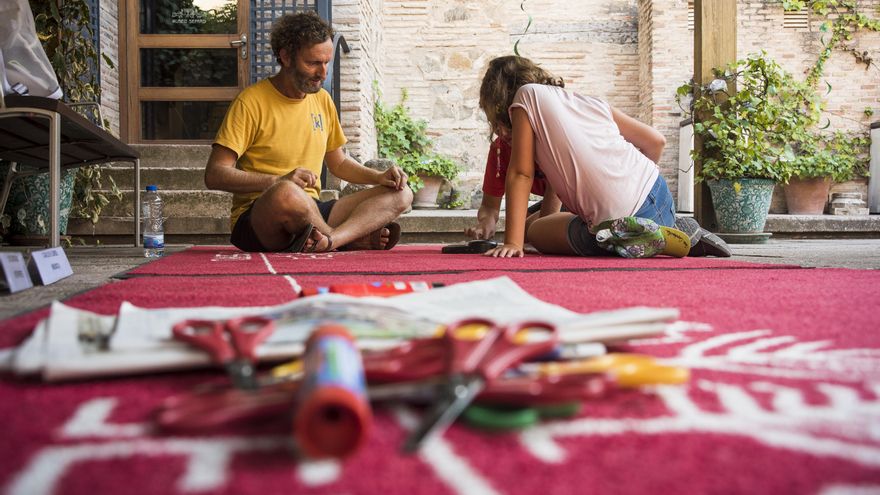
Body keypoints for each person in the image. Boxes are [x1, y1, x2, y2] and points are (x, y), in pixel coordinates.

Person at [476, 55, 730, 258]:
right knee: (549, 221)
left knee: (535, 230)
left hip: (611, 223)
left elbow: (521, 173)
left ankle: (636, 237)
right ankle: (661, 231)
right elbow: (656, 141)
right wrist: (628, 187)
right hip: (659, 196)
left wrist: (512, 242)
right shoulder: (589, 103)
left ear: (500, 100)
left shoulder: (525, 97)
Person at [205, 12, 412, 253]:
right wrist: (277, 181)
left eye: (326, 62)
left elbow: (340, 163)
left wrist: (377, 177)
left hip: (311, 210)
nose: (323, 73)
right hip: (261, 216)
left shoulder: (323, 100)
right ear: (285, 57)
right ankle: (347, 238)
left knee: (401, 194)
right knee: (286, 193)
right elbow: (215, 174)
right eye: (313, 63)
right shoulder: (250, 102)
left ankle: (330, 240)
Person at [465, 137, 561, 245]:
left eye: (508, 125)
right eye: (496, 126)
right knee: (521, 232)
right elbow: (489, 206)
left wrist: (541, 235)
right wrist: (486, 221)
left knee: (529, 231)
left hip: (575, 197)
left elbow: (558, 190)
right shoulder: (499, 149)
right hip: (556, 201)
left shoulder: (550, 143)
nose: (503, 132)